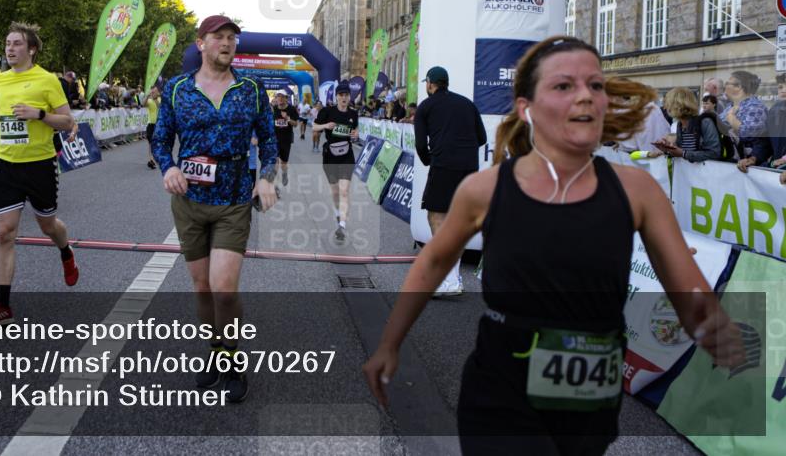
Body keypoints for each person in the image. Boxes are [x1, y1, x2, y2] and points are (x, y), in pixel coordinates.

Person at [363, 36, 744, 454]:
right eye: (564, 86)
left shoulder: (637, 191)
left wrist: (717, 330)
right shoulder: (486, 189)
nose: (585, 96)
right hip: (503, 385)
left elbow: (688, 292)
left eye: (595, 86)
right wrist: (389, 343)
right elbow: (432, 263)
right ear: (527, 107)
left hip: (590, 393)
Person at [151, 15, 278, 403]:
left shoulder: (252, 89)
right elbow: (160, 140)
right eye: (218, 37)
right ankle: (217, 353)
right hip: (189, 203)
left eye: (231, 38)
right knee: (202, 287)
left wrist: (267, 176)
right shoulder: (176, 89)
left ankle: (233, 361)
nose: (227, 43)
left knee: (224, 288)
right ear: (201, 43)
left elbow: (269, 142)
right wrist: (169, 166)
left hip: (234, 200)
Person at [0, 22, 78, 326]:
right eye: (7, 44)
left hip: (40, 165)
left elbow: (67, 121)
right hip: (7, 165)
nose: (10, 49)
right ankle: (2, 305)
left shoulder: (48, 80)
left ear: (31, 49)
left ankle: (65, 250)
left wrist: (39, 115)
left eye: (16, 44)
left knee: (48, 225)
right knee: (3, 232)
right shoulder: (2, 80)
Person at [414, 66, 487, 296]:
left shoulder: (425, 106)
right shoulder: (467, 103)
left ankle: (449, 279)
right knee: (456, 220)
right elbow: (482, 138)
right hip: (469, 167)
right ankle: (452, 277)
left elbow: (419, 144)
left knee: (436, 216)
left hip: (444, 166)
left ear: (430, 84)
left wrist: (429, 160)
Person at [313, 81, 360, 242]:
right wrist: (326, 124)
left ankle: (342, 226)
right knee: (335, 191)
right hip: (330, 155)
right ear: (337, 97)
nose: (344, 98)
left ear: (349, 97)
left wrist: (355, 135)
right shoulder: (327, 111)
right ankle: (338, 213)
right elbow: (314, 127)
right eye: (341, 95)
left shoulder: (353, 114)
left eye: (346, 95)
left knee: (344, 190)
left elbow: (356, 132)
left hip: (347, 154)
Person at [651, 87, 722, 162]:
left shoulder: (705, 122)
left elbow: (714, 153)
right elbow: (682, 152)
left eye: (668, 104)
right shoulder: (680, 124)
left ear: (678, 105)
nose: (665, 107)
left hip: (705, 173)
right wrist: (667, 148)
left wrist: (683, 153)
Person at [722, 70, 771, 173]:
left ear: (739, 86)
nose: (724, 86)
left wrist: (731, 117)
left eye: (727, 83)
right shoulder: (731, 106)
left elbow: (748, 133)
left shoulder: (755, 107)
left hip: (747, 168)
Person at [272, 90, 299, 186]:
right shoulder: (274, 109)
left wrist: (287, 118)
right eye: (278, 96)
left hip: (286, 139)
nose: (280, 98)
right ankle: (274, 184)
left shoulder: (291, 109)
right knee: (275, 161)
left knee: (284, 162)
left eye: (282, 97)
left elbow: (296, 124)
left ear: (286, 98)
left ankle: (284, 174)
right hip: (275, 139)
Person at [145, 86, 160, 169]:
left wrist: (155, 99)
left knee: (156, 143)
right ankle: (151, 160)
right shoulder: (149, 101)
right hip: (151, 124)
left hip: (158, 125)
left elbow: (160, 107)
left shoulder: (159, 100)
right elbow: (143, 104)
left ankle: (154, 159)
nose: (154, 93)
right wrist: (147, 96)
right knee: (150, 143)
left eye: (155, 92)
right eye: (153, 92)